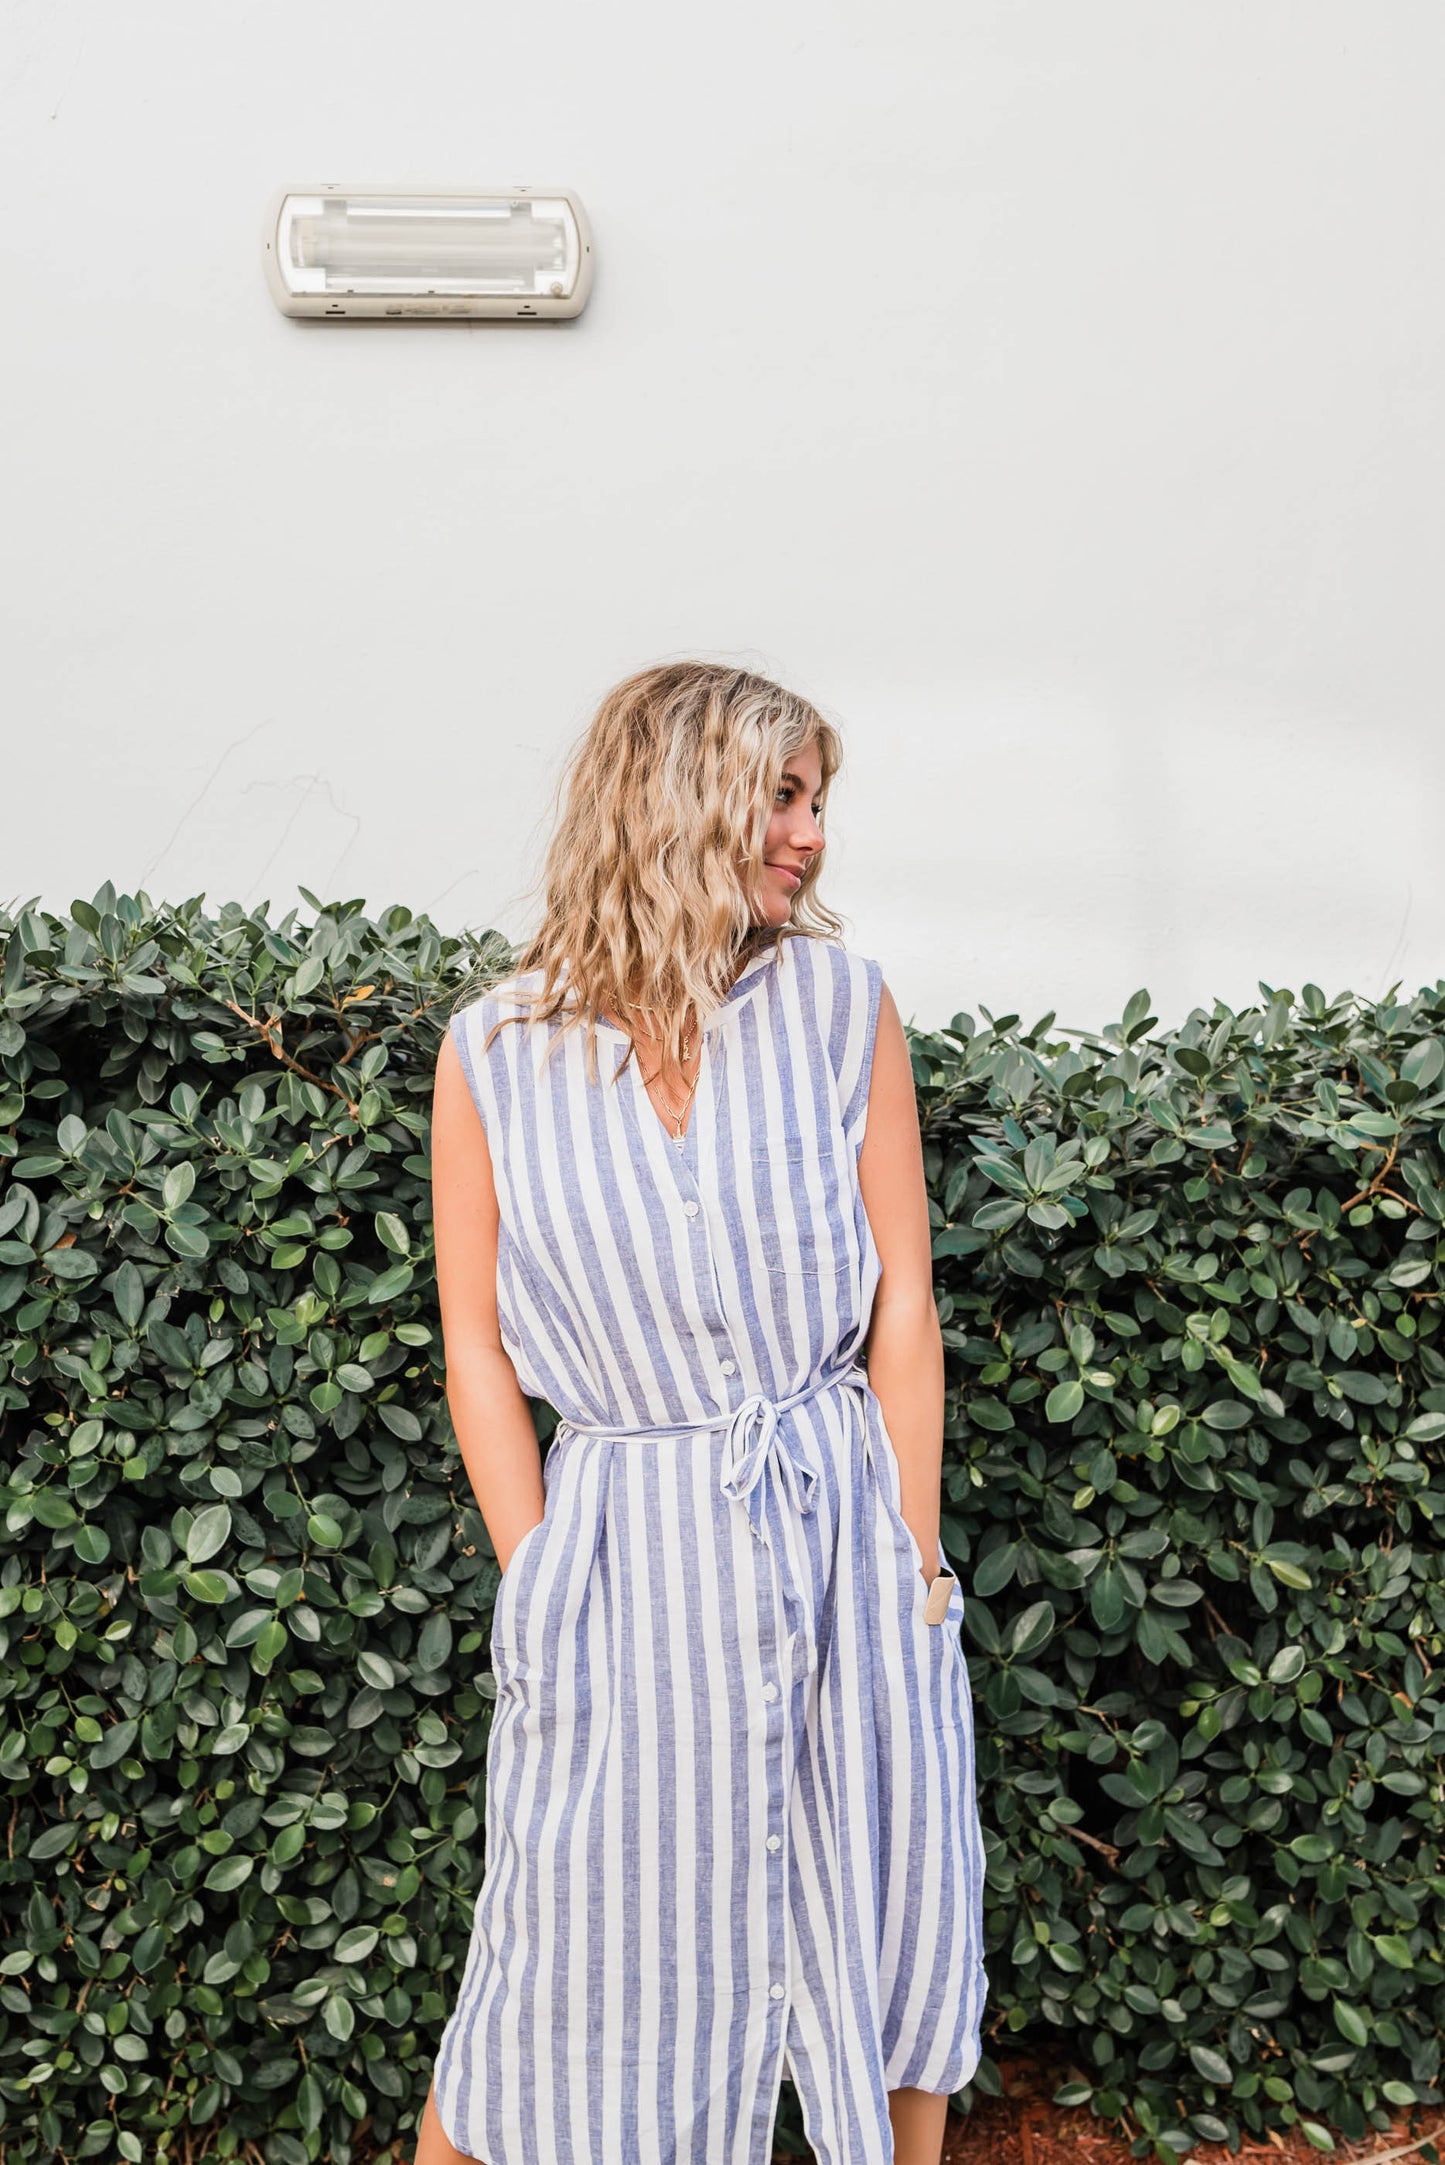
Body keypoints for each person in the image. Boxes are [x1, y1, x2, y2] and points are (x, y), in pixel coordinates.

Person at [415, 662, 988, 2165]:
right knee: (560, 1951)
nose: (809, 834)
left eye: (818, 800)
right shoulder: (493, 1054)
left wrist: (915, 1563)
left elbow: (902, 1311)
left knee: (889, 1908)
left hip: (839, 1526)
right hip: (621, 1556)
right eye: (783, 796)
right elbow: (474, 1342)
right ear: (677, 800)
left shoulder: (841, 1008)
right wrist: (537, 1573)